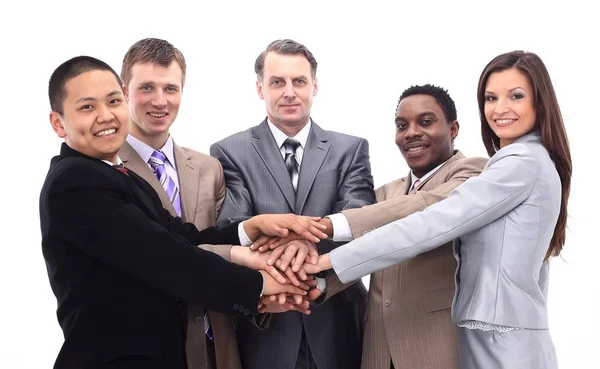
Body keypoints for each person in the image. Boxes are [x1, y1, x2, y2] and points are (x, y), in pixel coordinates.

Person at [40, 55, 325, 369]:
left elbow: (182, 236)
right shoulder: (74, 182)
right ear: (58, 122)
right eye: (87, 107)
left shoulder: (122, 177)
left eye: (113, 101)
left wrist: (248, 230)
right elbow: (164, 256)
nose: (106, 116)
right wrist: (259, 284)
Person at [304, 50, 572, 369]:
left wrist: (325, 260)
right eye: (490, 97)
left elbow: (430, 223)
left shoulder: (517, 165)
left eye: (516, 96)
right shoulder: (528, 161)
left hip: (501, 340)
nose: (500, 108)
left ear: (539, 101)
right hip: (492, 335)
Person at [259, 84, 487, 369]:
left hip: (435, 345)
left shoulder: (475, 173)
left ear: (453, 129)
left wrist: (325, 226)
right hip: (378, 347)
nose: (411, 132)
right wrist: (313, 283)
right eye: (402, 125)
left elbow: (424, 207)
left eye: (425, 122)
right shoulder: (386, 193)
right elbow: (362, 252)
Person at [210, 39, 376, 369]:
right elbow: (236, 226)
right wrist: (297, 242)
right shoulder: (229, 151)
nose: (289, 92)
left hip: (337, 322)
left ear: (314, 86)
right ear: (260, 88)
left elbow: (359, 220)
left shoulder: (350, 149)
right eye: (277, 82)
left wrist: (305, 241)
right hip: (266, 327)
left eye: (298, 81)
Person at [117, 37, 238, 369]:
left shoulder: (208, 167)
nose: (160, 101)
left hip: (217, 344)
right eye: (147, 88)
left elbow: (218, 242)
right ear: (124, 91)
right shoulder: (106, 170)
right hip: (147, 345)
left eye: (171, 88)